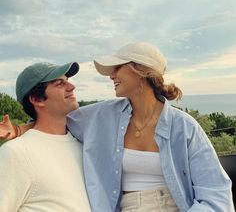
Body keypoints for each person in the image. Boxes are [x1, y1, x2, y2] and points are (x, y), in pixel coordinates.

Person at [0, 42, 234, 212]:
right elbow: (54, 121)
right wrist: (21, 130)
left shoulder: (184, 127)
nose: (111, 75)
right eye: (60, 83)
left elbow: (217, 194)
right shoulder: (102, 116)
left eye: (117, 67)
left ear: (141, 71)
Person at [0, 62, 91, 211]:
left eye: (67, 81)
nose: (71, 87)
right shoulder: (16, 153)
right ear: (37, 99)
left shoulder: (83, 145)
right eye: (59, 84)